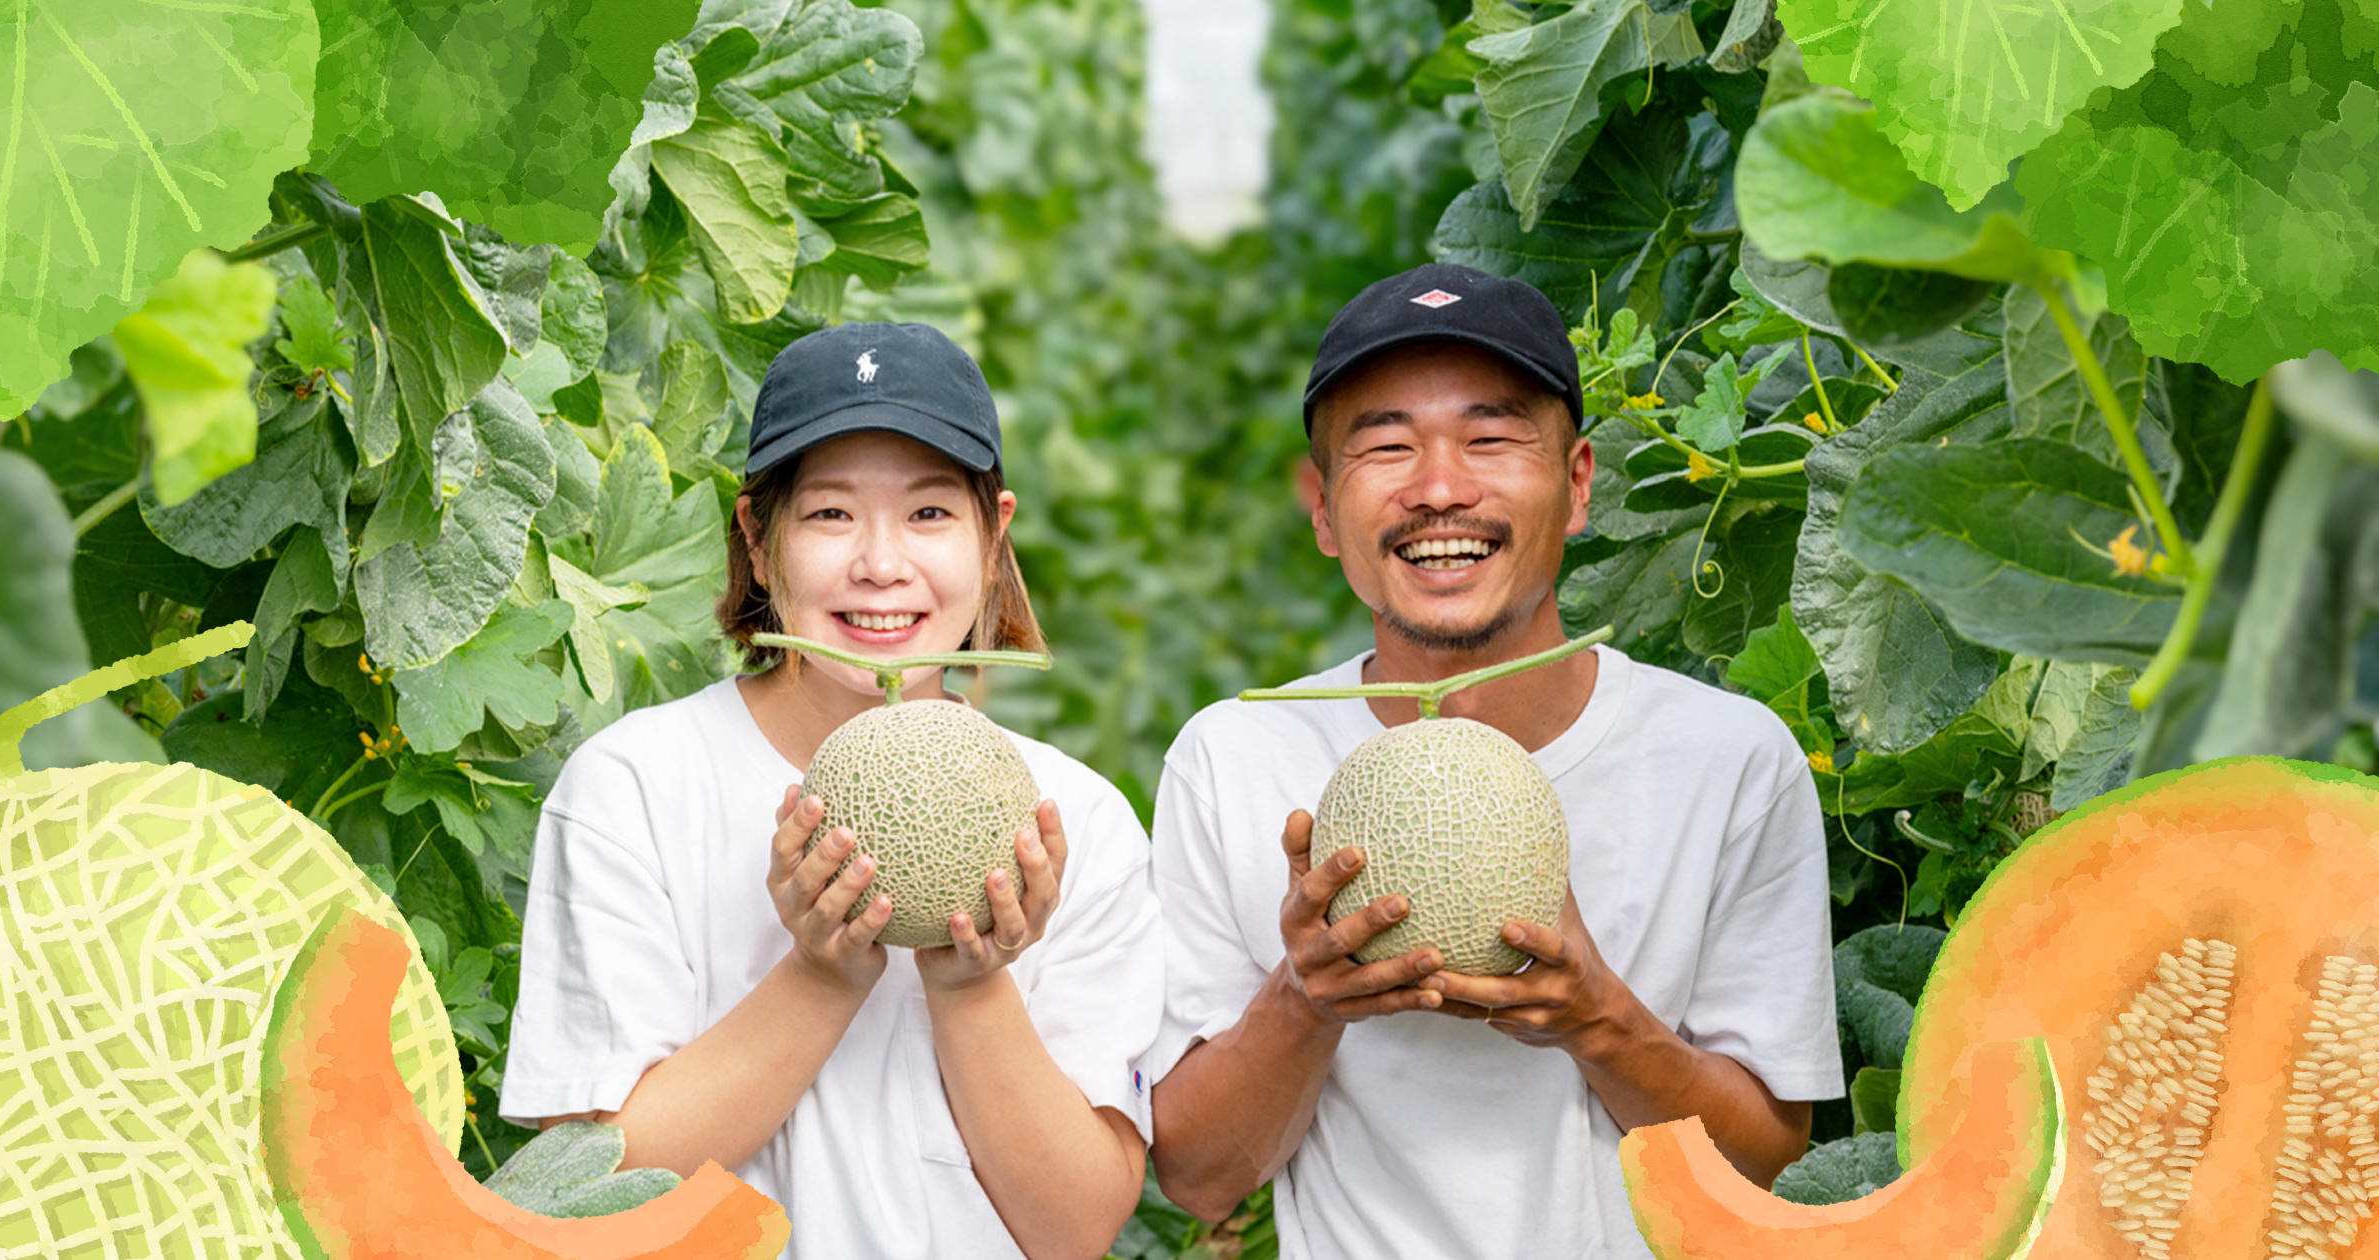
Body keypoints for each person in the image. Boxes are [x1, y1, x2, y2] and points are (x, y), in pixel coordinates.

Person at [1144, 263, 1844, 1256]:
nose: (1440, 489)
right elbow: (1201, 1176)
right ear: (1320, 506)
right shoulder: (1233, 756)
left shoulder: (1729, 761)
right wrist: (1304, 999)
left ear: (1578, 483)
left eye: (1491, 436)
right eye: (1386, 444)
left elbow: (1760, 1166)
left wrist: (1596, 1017)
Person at [497, 322, 1160, 1260]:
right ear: (758, 543)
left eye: (930, 514)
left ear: (994, 536)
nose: (882, 564)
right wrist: (818, 974)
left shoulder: (1076, 816)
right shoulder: (633, 786)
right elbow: (586, 1201)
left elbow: (1077, 1228)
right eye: (830, 515)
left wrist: (971, 984)